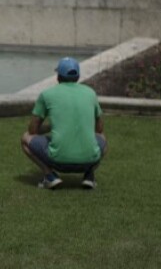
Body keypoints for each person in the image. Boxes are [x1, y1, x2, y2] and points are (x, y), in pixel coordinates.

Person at [21, 57, 107, 190]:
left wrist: (49, 127)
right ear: (77, 76)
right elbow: (100, 128)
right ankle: (89, 175)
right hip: (90, 160)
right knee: (102, 138)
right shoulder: (91, 93)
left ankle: (50, 176)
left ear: (58, 77)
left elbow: (32, 130)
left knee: (25, 138)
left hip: (58, 161)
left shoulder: (46, 94)